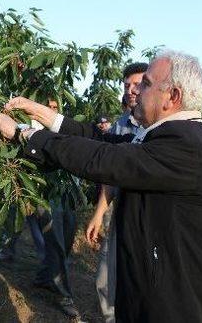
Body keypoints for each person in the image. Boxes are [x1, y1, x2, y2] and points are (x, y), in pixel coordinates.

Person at [0, 50, 202, 322]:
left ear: (172, 97)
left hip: (177, 307)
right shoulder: (172, 138)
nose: (136, 91)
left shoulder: (184, 146)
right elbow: (100, 141)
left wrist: (24, 134)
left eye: (147, 84)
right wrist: (39, 113)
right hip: (158, 293)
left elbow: (103, 159)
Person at [0, 98, 80, 318]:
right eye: (48, 106)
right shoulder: (26, 128)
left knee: (68, 235)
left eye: (54, 107)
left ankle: (45, 277)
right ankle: (64, 294)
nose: (51, 110)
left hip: (63, 191)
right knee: (55, 242)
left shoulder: (61, 127)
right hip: (42, 194)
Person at [86, 62, 147, 322]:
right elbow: (111, 175)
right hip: (120, 211)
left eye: (138, 84)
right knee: (106, 278)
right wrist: (99, 213)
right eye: (127, 85)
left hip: (148, 217)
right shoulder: (120, 126)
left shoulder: (161, 127)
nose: (131, 90)